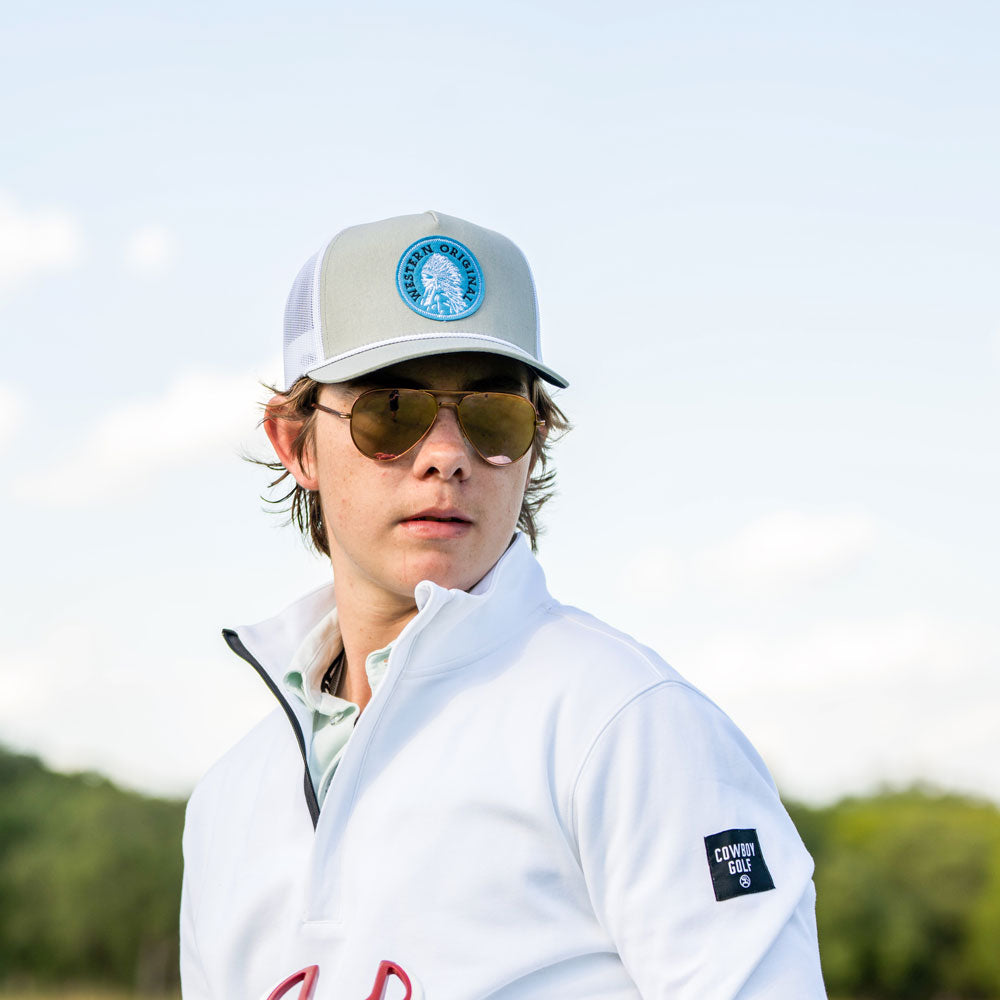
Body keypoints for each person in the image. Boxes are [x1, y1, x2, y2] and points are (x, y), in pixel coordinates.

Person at [179, 211, 828, 1000]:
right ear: (297, 443)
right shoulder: (228, 802)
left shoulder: (626, 722)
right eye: (392, 410)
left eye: (492, 415)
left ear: (536, 439)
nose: (448, 455)